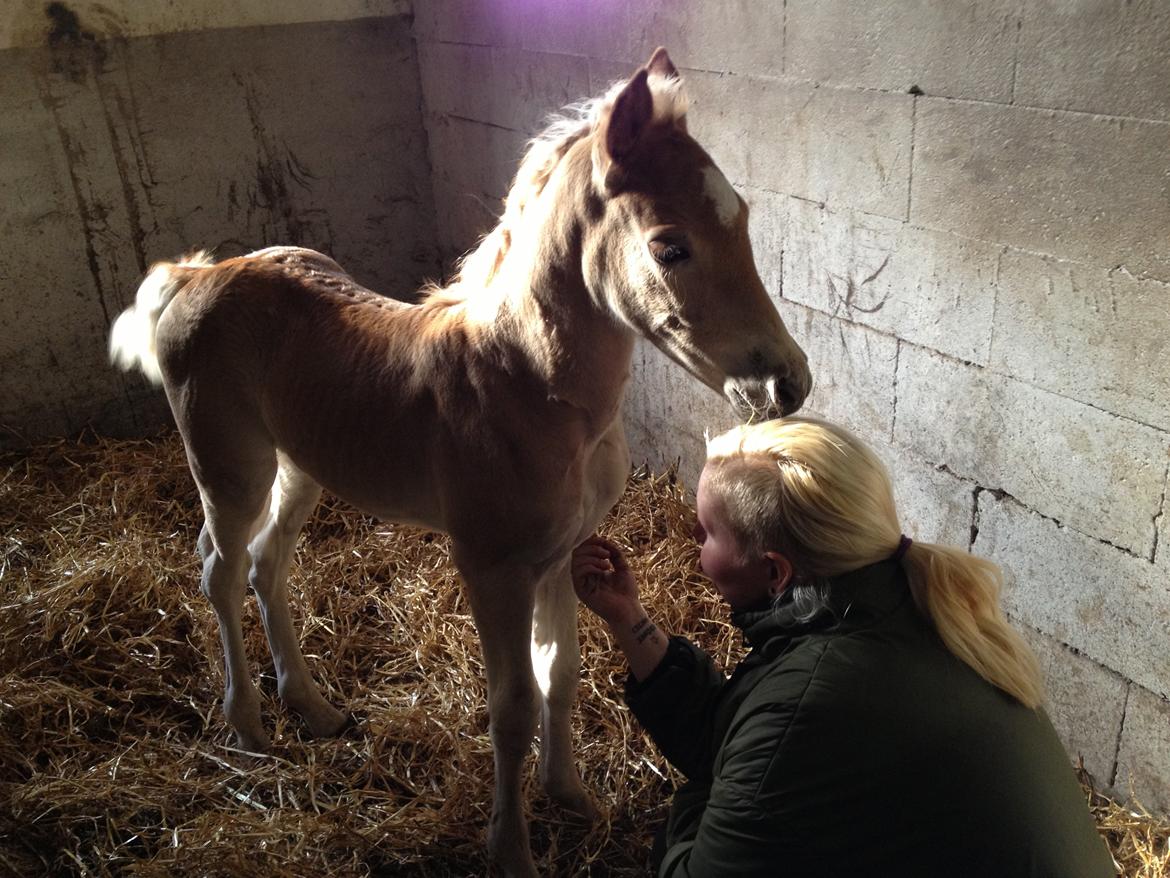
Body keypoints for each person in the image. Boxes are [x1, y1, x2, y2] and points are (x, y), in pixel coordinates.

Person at [571, 416, 1115, 877]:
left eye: (707, 530)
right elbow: (745, 732)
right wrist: (629, 618)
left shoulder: (817, 697)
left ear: (775, 572)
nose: (691, 537)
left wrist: (701, 796)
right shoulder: (915, 611)